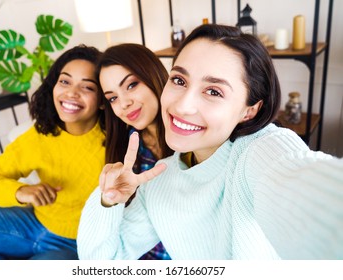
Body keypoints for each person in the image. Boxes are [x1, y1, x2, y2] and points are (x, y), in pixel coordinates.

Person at [77, 24, 343, 260]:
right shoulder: (156, 182)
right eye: (179, 80)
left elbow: (310, 193)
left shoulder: (257, 152)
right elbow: (103, 262)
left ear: (249, 109)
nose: (183, 105)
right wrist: (107, 202)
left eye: (213, 91)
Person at [0, 44, 106, 260]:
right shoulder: (40, 134)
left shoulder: (115, 140)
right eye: (64, 81)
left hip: (79, 244)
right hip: (32, 223)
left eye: (88, 87)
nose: (71, 92)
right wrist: (21, 191)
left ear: (102, 100)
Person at [95, 43, 173, 259]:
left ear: (153, 75)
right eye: (112, 98)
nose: (124, 103)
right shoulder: (125, 148)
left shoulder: (194, 135)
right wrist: (108, 199)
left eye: (131, 85)